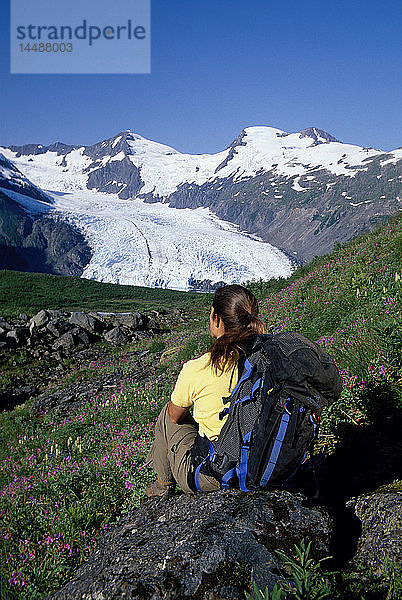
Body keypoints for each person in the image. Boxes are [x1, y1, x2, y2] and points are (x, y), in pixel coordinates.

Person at [145, 284, 267, 497]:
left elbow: (175, 416)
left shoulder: (199, 367)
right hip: (264, 463)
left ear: (217, 319)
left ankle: (162, 484)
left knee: (168, 412)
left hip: (214, 474)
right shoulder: (268, 358)